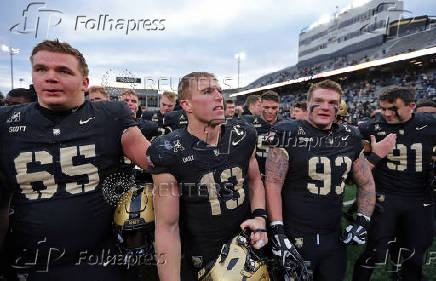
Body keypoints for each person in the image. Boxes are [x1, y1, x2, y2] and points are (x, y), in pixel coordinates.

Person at [0, 39, 151, 280]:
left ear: (85, 83)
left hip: (99, 258)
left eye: (63, 71)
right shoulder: (7, 121)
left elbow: (153, 160)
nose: (50, 77)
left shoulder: (110, 114)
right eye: (41, 69)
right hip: (28, 261)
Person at [148, 72, 268, 281]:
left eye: (219, 91)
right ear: (187, 105)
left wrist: (259, 217)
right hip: (199, 256)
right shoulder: (168, 149)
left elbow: (255, 180)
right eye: (207, 92)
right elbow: (168, 227)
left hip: (245, 247)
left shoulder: (243, 133)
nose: (218, 96)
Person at [265, 79, 377, 281]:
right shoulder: (287, 132)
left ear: (339, 107)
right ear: (308, 104)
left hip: (333, 236)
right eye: (319, 100)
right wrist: (277, 230)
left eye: (332, 102)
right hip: (295, 234)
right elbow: (273, 184)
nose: (326, 107)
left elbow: (366, 183)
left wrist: (363, 219)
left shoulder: (350, 136)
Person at [353, 86, 436, 281]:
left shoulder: (429, 123)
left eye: (393, 108)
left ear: (411, 106)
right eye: (383, 108)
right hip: (385, 198)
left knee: (414, 254)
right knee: (375, 252)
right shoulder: (373, 126)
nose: (387, 114)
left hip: (419, 199)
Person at [244, 90, 281, 176]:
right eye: (266, 107)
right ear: (261, 106)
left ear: (279, 107)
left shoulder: (285, 125)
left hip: (278, 177)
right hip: (255, 175)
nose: (270, 111)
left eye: (274, 108)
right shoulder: (248, 122)